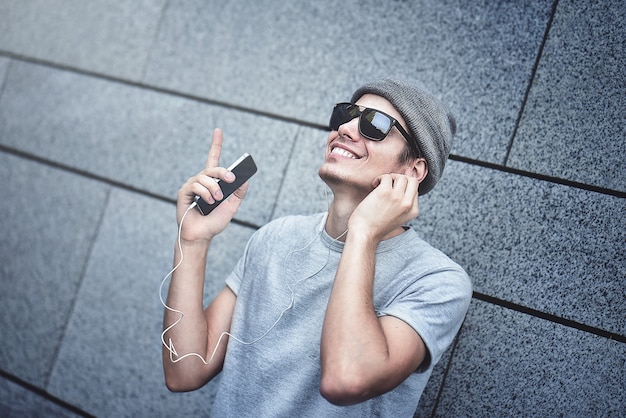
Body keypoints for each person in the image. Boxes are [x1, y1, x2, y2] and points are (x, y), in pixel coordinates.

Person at [162, 79, 472, 416]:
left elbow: (345, 380)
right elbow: (184, 371)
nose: (347, 128)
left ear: (413, 170)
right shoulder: (276, 237)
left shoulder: (437, 281)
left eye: (375, 125)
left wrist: (363, 233)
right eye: (346, 114)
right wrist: (192, 241)